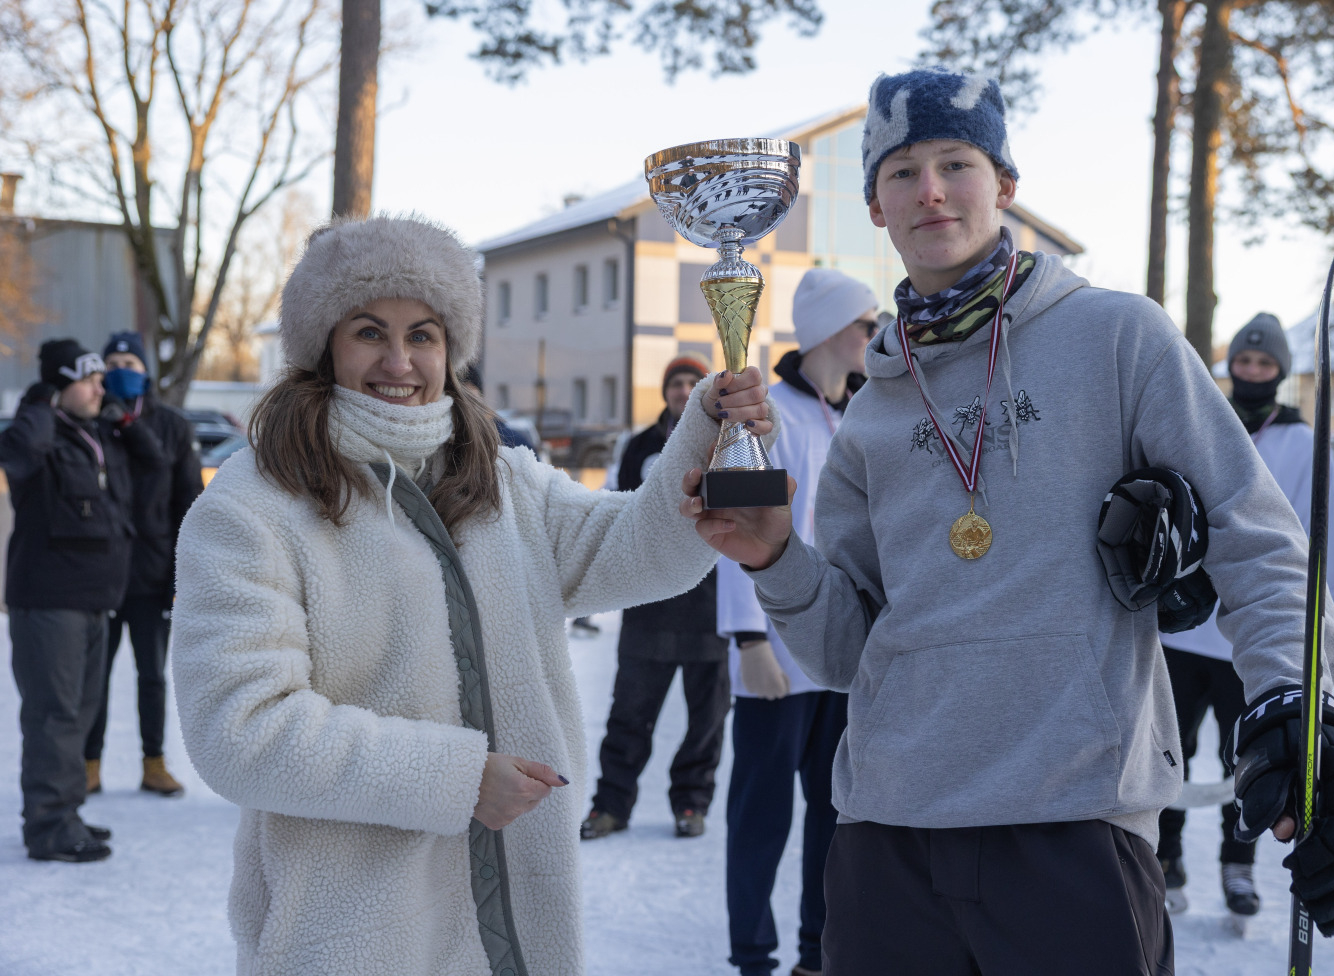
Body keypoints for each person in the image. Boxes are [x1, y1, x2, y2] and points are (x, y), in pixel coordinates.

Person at [680, 67, 1334, 974]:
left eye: (956, 162)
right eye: (900, 172)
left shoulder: (1117, 337)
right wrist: (777, 557)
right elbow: (844, 650)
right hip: (886, 838)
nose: (930, 189)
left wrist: (1294, 698)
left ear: (1005, 185)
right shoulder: (872, 413)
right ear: (875, 207)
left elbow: (1254, 534)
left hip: (1073, 824)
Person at [170, 214, 772, 976]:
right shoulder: (254, 506)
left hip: (511, 928)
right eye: (369, 332)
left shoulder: (499, 479)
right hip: (351, 931)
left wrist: (707, 435)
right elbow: (242, 731)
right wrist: (455, 780)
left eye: (423, 334)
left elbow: (630, 550)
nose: (399, 361)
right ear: (323, 344)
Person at [1155, 313, 1334, 921]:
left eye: (1265, 366)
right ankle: (1166, 859)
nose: (1253, 373)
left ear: (1281, 373)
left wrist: (1319, 625)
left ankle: (1238, 868)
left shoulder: (1302, 442)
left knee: (1250, 758)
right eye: (1244, 363)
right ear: (1230, 366)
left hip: (1252, 633)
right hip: (1181, 630)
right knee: (1169, 753)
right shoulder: (1200, 424)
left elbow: (1323, 537)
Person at [716, 269, 876, 976]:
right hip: (775, 661)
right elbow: (734, 526)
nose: (875, 335)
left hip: (842, 655)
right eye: (866, 324)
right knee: (759, 820)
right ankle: (753, 956)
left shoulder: (871, 418)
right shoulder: (762, 414)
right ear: (829, 333)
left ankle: (819, 953)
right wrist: (748, 639)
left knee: (835, 818)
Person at [1, 339, 164, 862]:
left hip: (95, 598)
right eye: (89, 380)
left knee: (80, 711)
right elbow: (17, 454)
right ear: (60, 386)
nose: (102, 387)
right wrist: (39, 403)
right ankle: (48, 826)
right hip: (50, 600)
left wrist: (120, 419)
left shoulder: (95, 434)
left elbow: (153, 462)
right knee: (54, 715)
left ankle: (66, 813)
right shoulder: (43, 436)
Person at [579, 351, 731, 841]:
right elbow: (622, 509)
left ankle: (691, 804)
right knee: (629, 715)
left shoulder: (728, 443)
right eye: (676, 383)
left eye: (692, 382)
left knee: (705, 723)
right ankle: (611, 805)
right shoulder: (641, 445)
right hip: (648, 605)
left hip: (709, 609)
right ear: (665, 391)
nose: (684, 390)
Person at [83, 330, 202, 798]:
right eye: (111, 363)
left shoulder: (172, 426)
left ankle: (154, 763)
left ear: (145, 371)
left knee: (151, 675)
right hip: (101, 575)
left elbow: (189, 505)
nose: (119, 371)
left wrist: (182, 575)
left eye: (129, 363)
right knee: (94, 675)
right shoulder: (95, 422)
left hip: (153, 575)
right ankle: (88, 764)